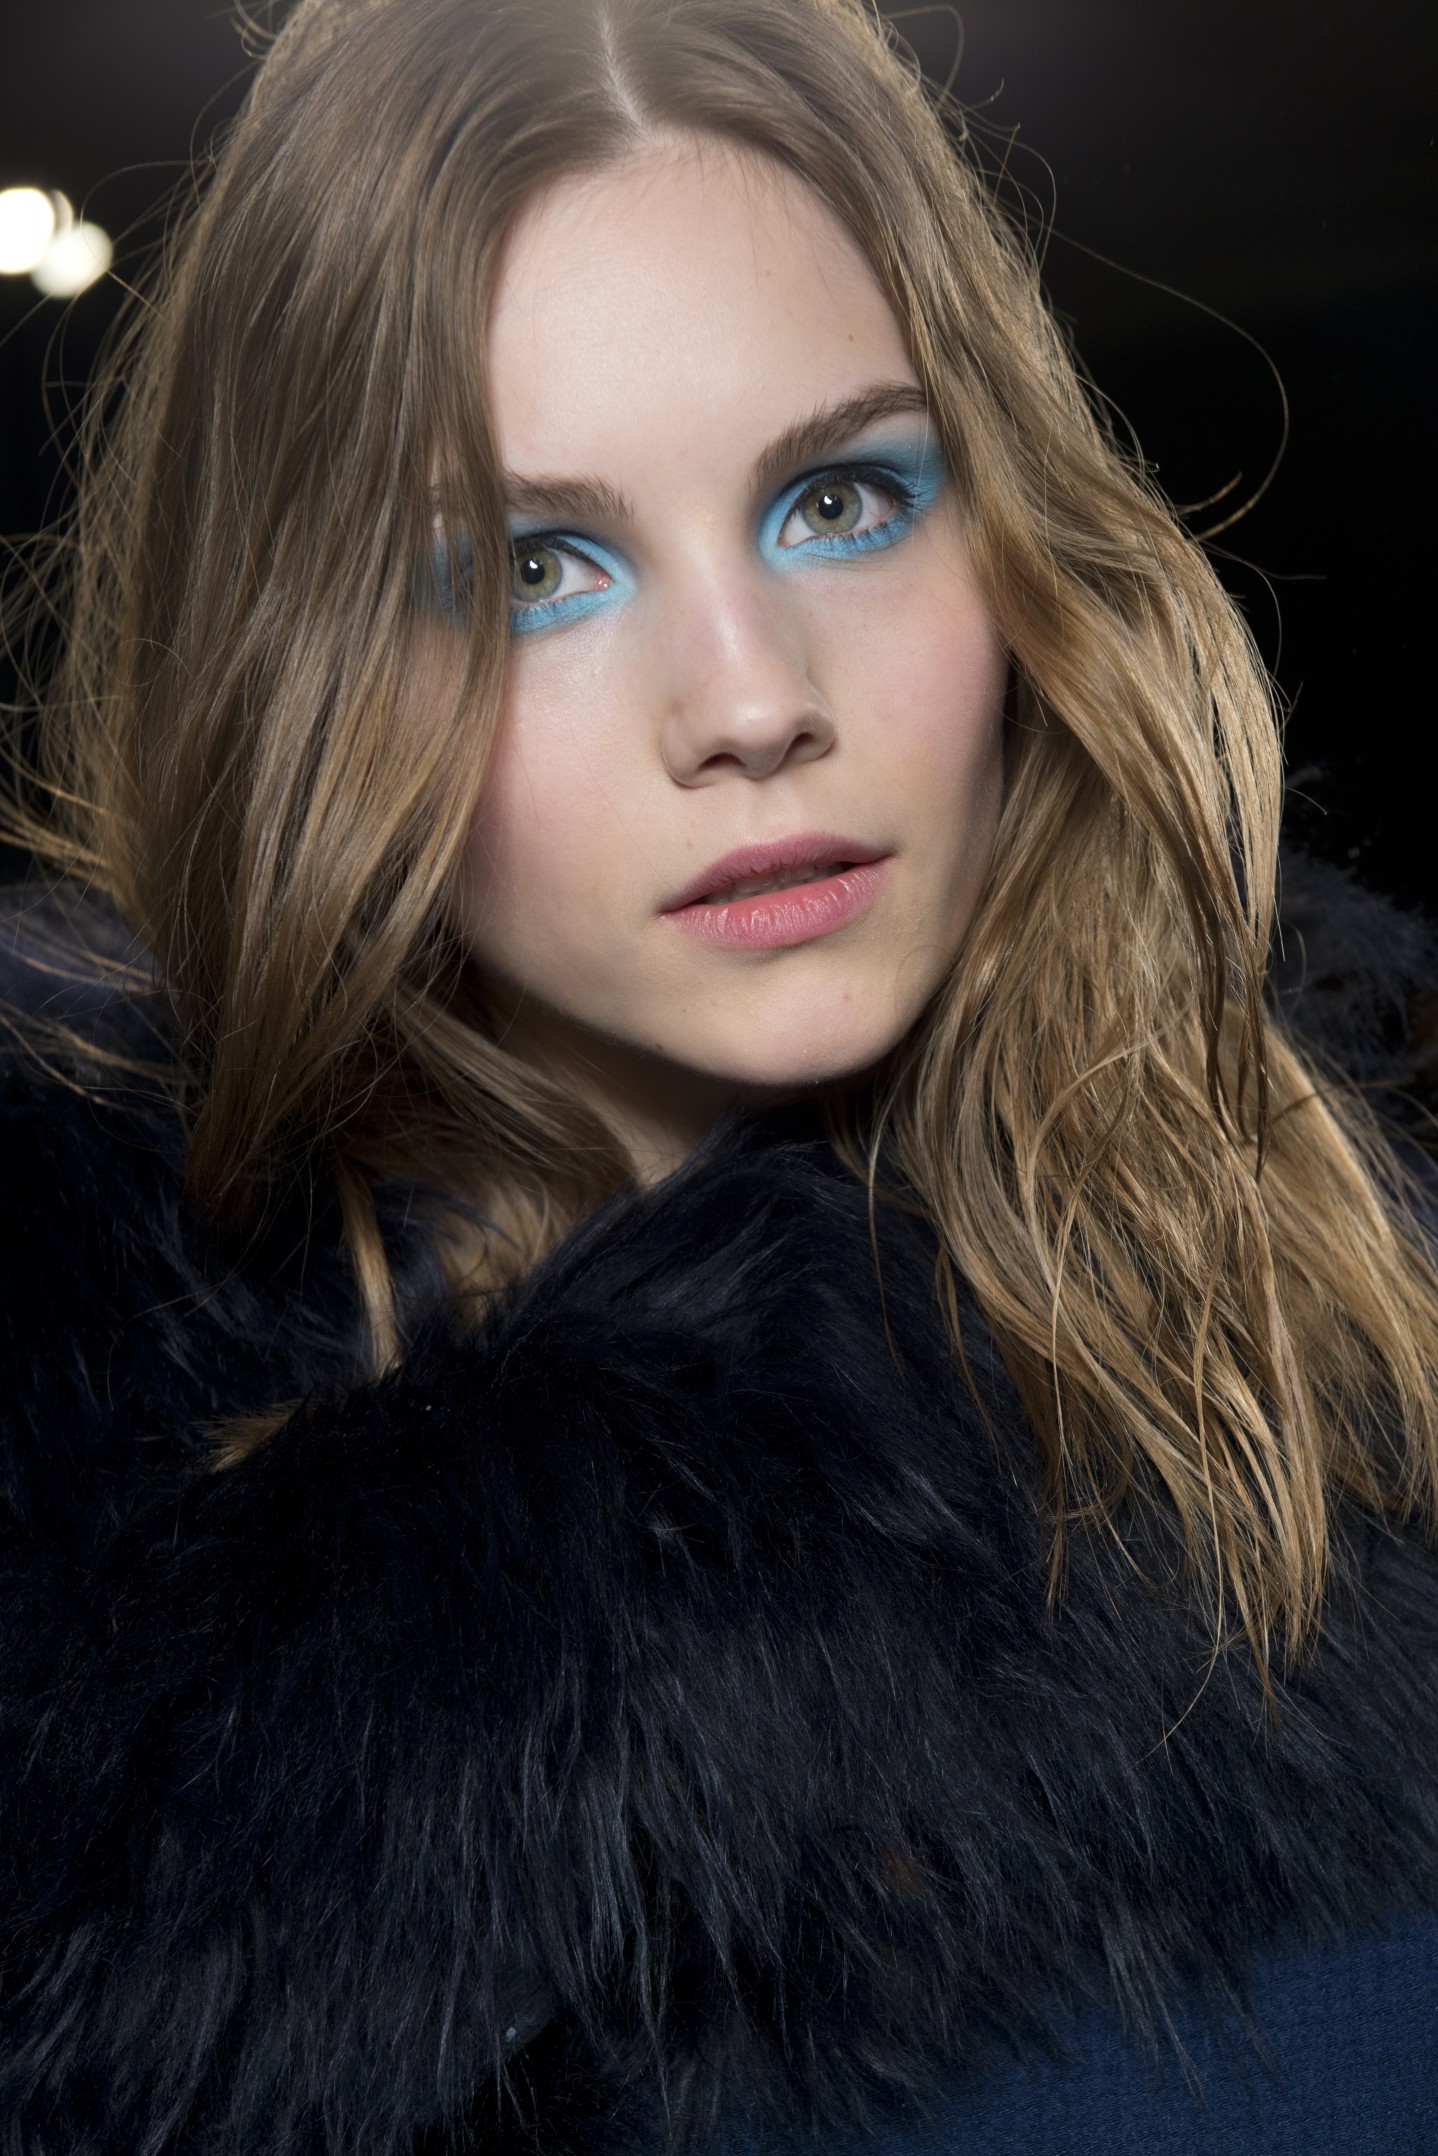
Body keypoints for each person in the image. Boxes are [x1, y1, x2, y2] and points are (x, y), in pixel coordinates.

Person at [2, 0, 1437, 2148]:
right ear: (306, 678)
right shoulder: (113, 1664)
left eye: (841, 496)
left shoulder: (1363, 1334)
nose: (751, 701)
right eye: (535, 569)